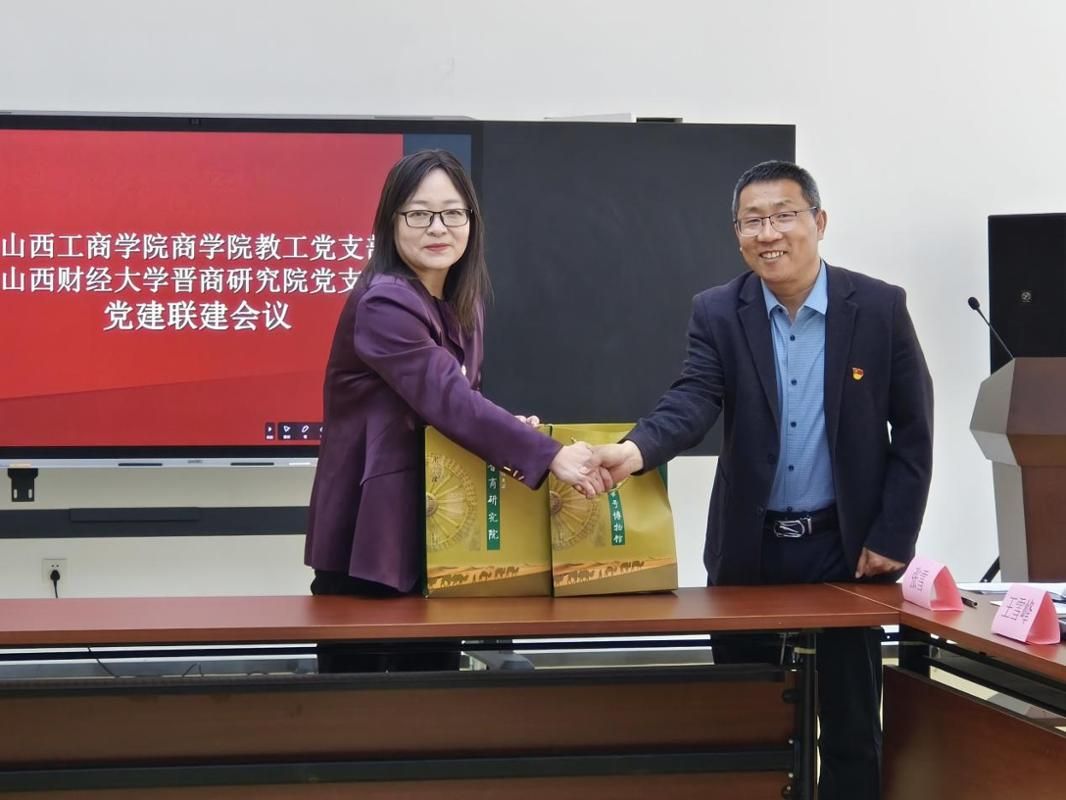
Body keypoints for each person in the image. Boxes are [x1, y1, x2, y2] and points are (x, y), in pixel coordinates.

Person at [596, 160, 933, 800]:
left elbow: (914, 430)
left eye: (783, 216)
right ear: (738, 233)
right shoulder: (719, 311)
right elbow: (693, 399)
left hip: (844, 549)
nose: (768, 233)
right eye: (753, 221)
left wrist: (894, 534)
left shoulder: (878, 307)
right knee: (743, 724)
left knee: (852, 729)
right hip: (750, 548)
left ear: (819, 222)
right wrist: (635, 451)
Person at [305, 150, 606, 669]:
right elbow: (448, 400)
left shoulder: (461, 301)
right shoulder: (384, 301)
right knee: (360, 706)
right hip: (372, 536)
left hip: (438, 529)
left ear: (472, 220)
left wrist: (509, 427)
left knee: (436, 699)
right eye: (419, 214)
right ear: (391, 222)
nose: (438, 227)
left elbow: (455, 403)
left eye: (452, 212)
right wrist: (550, 454)